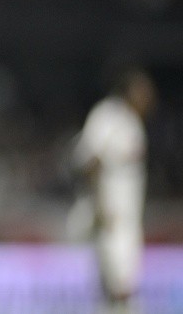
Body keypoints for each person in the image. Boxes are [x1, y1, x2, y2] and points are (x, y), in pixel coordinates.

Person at [67, 67, 157, 313]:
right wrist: (100, 203)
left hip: (126, 215)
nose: (149, 97)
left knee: (119, 285)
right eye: (143, 91)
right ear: (129, 90)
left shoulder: (132, 122)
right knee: (119, 285)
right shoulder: (109, 114)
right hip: (111, 213)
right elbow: (89, 161)